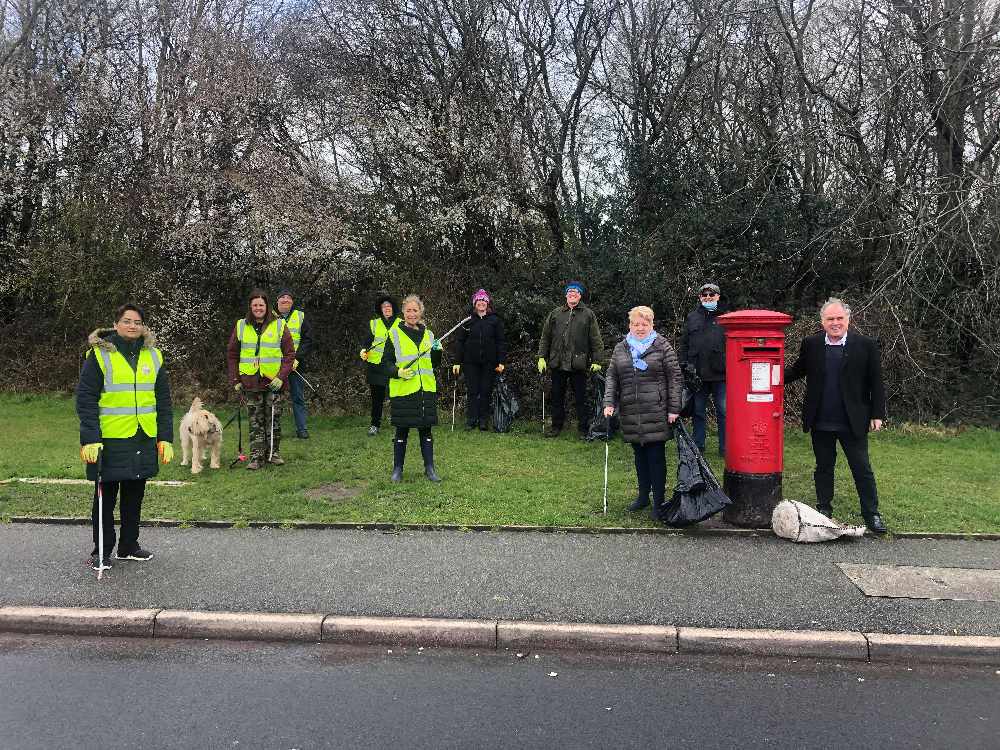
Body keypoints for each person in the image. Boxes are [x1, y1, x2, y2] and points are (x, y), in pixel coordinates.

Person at [76, 303, 174, 569]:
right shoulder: (99, 355)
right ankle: (101, 551)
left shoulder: (154, 356)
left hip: (143, 437)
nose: (132, 326)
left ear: (143, 326)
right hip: (108, 439)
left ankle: (129, 546)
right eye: (127, 321)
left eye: (137, 322)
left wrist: (165, 437)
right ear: (116, 324)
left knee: (134, 496)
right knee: (105, 499)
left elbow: (163, 400)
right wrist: (90, 438)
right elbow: (86, 399)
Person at [785, 298, 888, 533]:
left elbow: (876, 382)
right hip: (820, 418)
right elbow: (798, 370)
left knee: (861, 468)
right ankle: (824, 509)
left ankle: (871, 514)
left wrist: (877, 413)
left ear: (848, 320)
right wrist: (767, 375)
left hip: (853, 419)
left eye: (839, 318)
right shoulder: (811, 344)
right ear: (822, 321)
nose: (835, 323)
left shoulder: (866, 345)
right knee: (823, 467)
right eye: (830, 319)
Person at [603, 306, 683, 520]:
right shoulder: (621, 348)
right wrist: (609, 402)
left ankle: (658, 502)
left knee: (655, 458)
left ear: (651, 324)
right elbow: (611, 377)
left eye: (644, 324)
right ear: (630, 325)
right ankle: (642, 496)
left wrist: (674, 408)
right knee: (639, 456)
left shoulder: (662, 345)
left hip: (656, 411)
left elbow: (675, 377)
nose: (640, 328)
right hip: (631, 411)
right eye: (636, 324)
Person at [226, 289, 295, 470]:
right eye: (255, 305)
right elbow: (232, 354)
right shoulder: (241, 325)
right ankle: (256, 457)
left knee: (273, 420)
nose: (258, 308)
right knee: (255, 421)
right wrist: (235, 379)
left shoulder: (279, 325)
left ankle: (273, 454)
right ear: (250, 307)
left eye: (261, 305)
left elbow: (290, 354)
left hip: (273, 383)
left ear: (267, 306)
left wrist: (281, 377)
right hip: (250, 382)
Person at [377, 294, 443, 482]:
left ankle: (429, 469)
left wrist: (437, 351)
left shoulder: (429, 335)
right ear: (403, 312)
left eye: (415, 310)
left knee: (426, 431)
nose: (412, 314)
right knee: (402, 431)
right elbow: (385, 363)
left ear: (420, 312)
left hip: (425, 390)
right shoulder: (394, 334)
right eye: (408, 310)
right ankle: (397, 470)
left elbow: (434, 364)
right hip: (403, 391)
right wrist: (397, 372)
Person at [537, 281, 604, 438]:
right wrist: (541, 357)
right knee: (556, 397)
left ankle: (583, 429)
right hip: (557, 362)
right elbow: (545, 337)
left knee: (581, 398)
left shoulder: (588, 314)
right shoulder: (555, 313)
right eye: (570, 292)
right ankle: (556, 427)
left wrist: (597, 360)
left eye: (576, 292)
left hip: (578, 363)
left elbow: (596, 339)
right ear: (566, 295)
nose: (572, 294)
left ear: (580, 296)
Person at [678, 282, 729, 457]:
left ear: (718, 297)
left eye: (711, 295)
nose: (708, 298)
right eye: (704, 295)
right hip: (697, 374)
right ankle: (698, 446)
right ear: (700, 297)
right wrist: (684, 364)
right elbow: (684, 343)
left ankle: (725, 447)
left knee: (723, 411)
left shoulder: (726, 318)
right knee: (698, 411)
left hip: (720, 374)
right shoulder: (692, 317)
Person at [452, 289, 507, 431]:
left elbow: (501, 342)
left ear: (487, 303)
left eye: (484, 300)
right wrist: (457, 362)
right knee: (472, 391)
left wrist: (501, 361)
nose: (481, 303)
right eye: (478, 301)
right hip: (470, 362)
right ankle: (471, 420)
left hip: (489, 363)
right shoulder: (467, 321)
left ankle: (483, 420)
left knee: (485, 391)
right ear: (474, 304)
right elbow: (460, 342)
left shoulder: (495, 320)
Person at [275, 289, 313, 439]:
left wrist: (298, 358)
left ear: (292, 302)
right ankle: (274, 429)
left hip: (295, 365)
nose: (285, 300)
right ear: (277, 301)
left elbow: (308, 340)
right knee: (274, 397)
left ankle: (301, 429)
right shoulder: (270, 317)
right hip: (275, 365)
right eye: (282, 297)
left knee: (298, 397)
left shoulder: (300, 316)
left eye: (288, 298)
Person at [360, 294, 399, 436]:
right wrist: (363, 351)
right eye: (384, 307)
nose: (387, 308)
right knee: (377, 398)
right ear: (380, 309)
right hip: (376, 366)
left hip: (394, 366)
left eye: (389, 306)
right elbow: (366, 342)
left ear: (393, 308)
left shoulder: (401, 323)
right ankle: (374, 425)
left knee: (397, 397)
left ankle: (399, 424)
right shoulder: (374, 323)